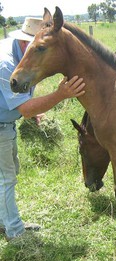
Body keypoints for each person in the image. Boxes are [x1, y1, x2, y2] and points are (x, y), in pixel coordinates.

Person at [0, 17, 85, 241]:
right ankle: (15, 231)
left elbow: (22, 103)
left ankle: (5, 220)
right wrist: (60, 95)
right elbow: (25, 107)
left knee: (7, 175)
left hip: (5, 125)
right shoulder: (5, 64)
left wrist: (30, 111)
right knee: (6, 179)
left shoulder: (23, 57)